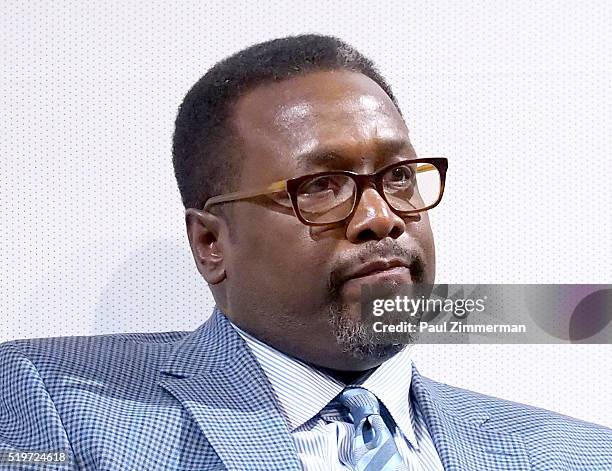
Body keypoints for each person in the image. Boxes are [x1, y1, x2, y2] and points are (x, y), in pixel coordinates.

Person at [0, 34, 610, 471]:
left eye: (400, 176)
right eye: (321, 187)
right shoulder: (54, 401)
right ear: (211, 243)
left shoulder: (578, 452)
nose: (380, 217)